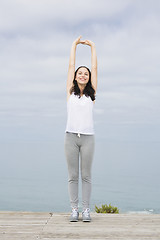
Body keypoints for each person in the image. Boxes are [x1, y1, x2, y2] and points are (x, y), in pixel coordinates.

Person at [64, 36, 97, 222]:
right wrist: (74, 45)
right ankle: (74, 209)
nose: (83, 75)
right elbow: (70, 66)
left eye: (86, 73)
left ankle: (86, 210)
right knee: (72, 176)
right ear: (76, 77)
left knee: (86, 175)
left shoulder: (92, 94)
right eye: (80, 73)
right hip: (70, 137)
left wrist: (92, 46)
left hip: (88, 138)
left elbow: (95, 68)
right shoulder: (70, 92)